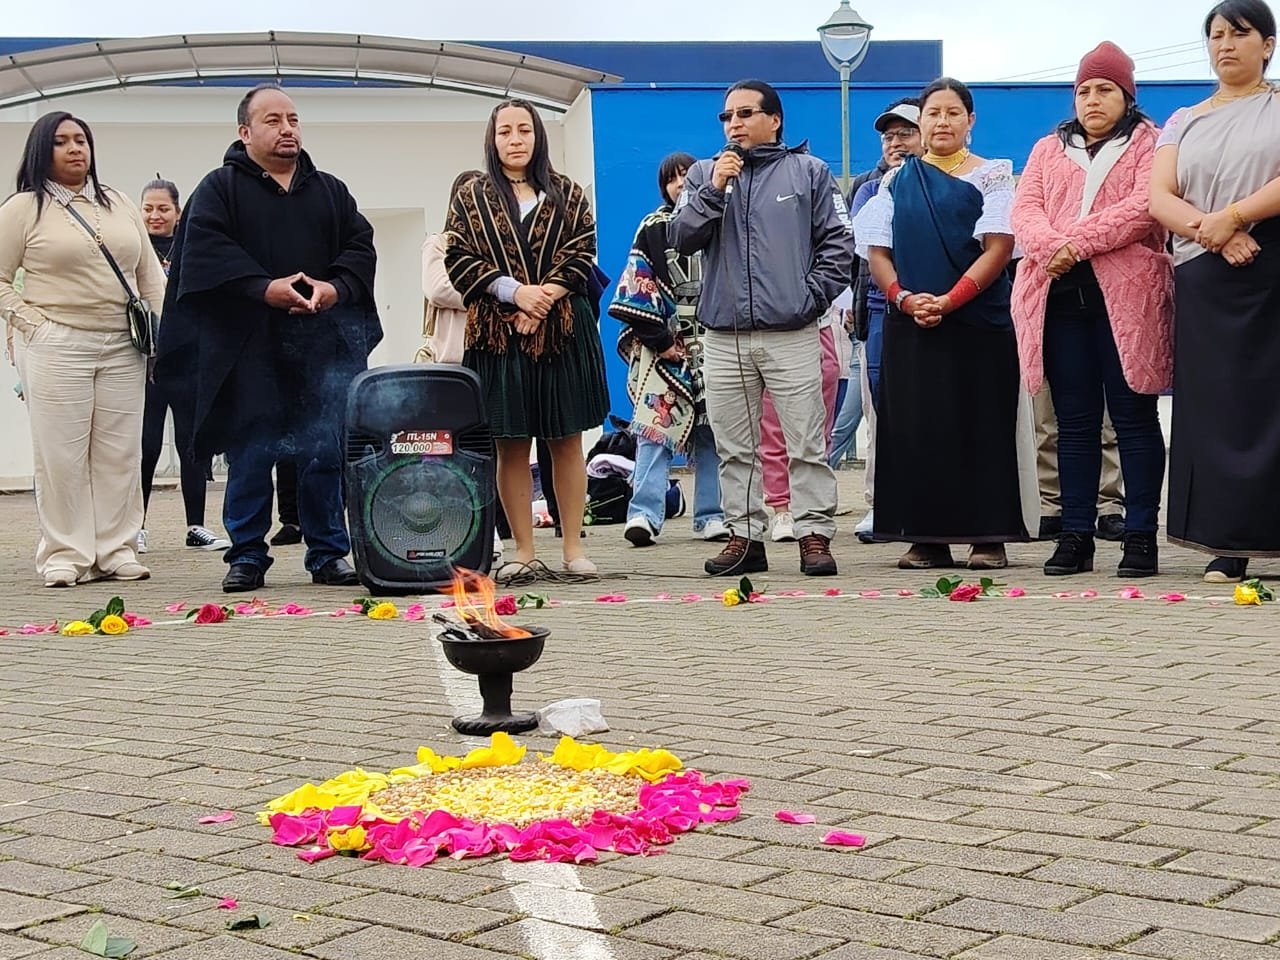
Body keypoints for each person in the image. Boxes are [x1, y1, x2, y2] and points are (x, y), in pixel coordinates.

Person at [156, 84, 382, 593]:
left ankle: (328, 552)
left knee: (325, 450)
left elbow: (359, 249)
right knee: (251, 450)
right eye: (274, 120)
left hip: (322, 345)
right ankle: (247, 556)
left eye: (294, 119)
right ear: (245, 131)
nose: (287, 129)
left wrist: (332, 287)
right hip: (249, 347)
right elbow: (205, 257)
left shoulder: (330, 190)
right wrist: (264, 289)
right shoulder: (219, 189)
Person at [670, 79, 852, 577]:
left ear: (774, 120)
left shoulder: (809, 172)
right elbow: (681, 237)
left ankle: (814, 533)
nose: (734, 124)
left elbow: (839, 245)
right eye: (727, 117)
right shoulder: (706, 175)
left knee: (806, 441)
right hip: (723, 335)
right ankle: (744, 536)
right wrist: (713, 190)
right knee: (734, 446)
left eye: (746, 114)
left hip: (791, 331)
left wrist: (808, 297)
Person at [853, 77, 1033, 570]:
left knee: (981, 425)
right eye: (933, 114)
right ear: (921, 122)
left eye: (953, 113)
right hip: (912, 322)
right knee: (917, 426)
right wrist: (904, 298)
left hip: (977, 321)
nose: (942, 122)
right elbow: (878, 251)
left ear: (970, 121)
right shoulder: (895, 181)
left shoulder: (994, 176)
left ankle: (986, 536)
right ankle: (925, 536)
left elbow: (998, 248)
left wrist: (951, 300)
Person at [1012, 42, 1173, 577]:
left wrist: (1073, 245)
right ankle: (1076, 535)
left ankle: (1140, 536)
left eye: (1105, 89)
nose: (1092, 99)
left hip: (1123, 299)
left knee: (1133, 417)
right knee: (1073, 423)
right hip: (1059, 298)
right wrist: (1048, 248)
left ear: (1127, 95)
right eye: (1084, 90)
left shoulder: (1152, 143)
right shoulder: (1046, 150)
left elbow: (1144, 205)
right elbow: (1026, 210)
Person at [445, 98, 609, 581]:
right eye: (505, 132)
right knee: (511, 445)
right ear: (492, 139)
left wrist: (545, 299)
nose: (515, 140)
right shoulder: (471, 195)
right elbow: (459, 259)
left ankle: (574, 547)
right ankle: (521, 549)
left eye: (524, 130)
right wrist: (516, 293)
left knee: (566, 440)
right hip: (497, 335)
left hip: (562, 331)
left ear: (538, 136)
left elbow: (583, 253)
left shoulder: (568, 193)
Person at [0, 111, 164, 586]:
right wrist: (33, 325)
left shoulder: (116, 202)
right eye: (61, 141)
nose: (75, 149)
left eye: (81, 140)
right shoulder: (22, 208)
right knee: (61, 455)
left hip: (122, 345)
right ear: (40, 150)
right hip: (56, 342)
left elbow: (150, 277)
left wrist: (161, 339)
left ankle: (117, 548)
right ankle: (66, 554)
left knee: (119, 453)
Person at [1150, 0, 1280, 583]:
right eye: (1216, 35)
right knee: (1215, 405)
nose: (1225, 44)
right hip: (1205, 269)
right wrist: (1216, 231)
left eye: (1240, 33)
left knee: (1271, 402)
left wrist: (1235, 216)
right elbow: (1161, 197)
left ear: (1268, 45)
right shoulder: (1183, 119)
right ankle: (1224, 541)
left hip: (1271, 263)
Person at [610, 151, 728, 547]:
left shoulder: (722, 220)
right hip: (665, 343)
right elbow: (636, 286)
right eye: (672, 178)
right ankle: (643, 513)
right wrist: (660, 341)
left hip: (716, 341)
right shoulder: (653, 227)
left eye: (687, 176)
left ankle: (712, 514)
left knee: (714, 432)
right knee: (654, 429)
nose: (680, 184)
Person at [844, 99, 925, 543]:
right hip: (880, 307)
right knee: (882, 413)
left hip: (939, 303)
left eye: (905, 134)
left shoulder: (953, 178)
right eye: (889, 136)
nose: (897, 143)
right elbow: (863, 252)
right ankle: (882, 505)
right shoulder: (867, 186)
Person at [136, 177, 231, 555]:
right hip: (147, 364)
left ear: (178, 213)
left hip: (189, 363)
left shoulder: (191, 249)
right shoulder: (133, 251)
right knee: (146, 447)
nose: (155, 216)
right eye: (148, 208)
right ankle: (135, 527)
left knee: (193, 446)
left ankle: (196, 526)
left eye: (163, 209)